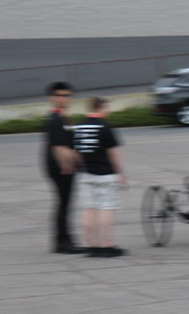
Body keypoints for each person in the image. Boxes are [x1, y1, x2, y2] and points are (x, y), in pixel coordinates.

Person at [73, 97, 128, 257]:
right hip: (105, 174)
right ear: (100, 107)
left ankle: (90, 244)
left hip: (85, 174)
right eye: (107, 108)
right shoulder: (105, 126)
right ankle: (106, 245)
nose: (108, 111)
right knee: (106, 208)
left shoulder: (80, 125)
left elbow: (76, 151)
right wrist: (120, 173)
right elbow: (113, 152)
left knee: (88, 208)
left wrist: (82, 167)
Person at [43, 82, 82, 253]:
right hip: (60, 167)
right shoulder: (54, 119)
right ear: (52, 98)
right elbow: (58, 147)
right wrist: (67, 166)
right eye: (60, 95)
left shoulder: (63, 118)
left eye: (67, 95)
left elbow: (69, 144)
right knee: (63, 203)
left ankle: (65, 238)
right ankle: (62, 242)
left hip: (65, 167)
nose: (64, 98)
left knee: (65, 203)